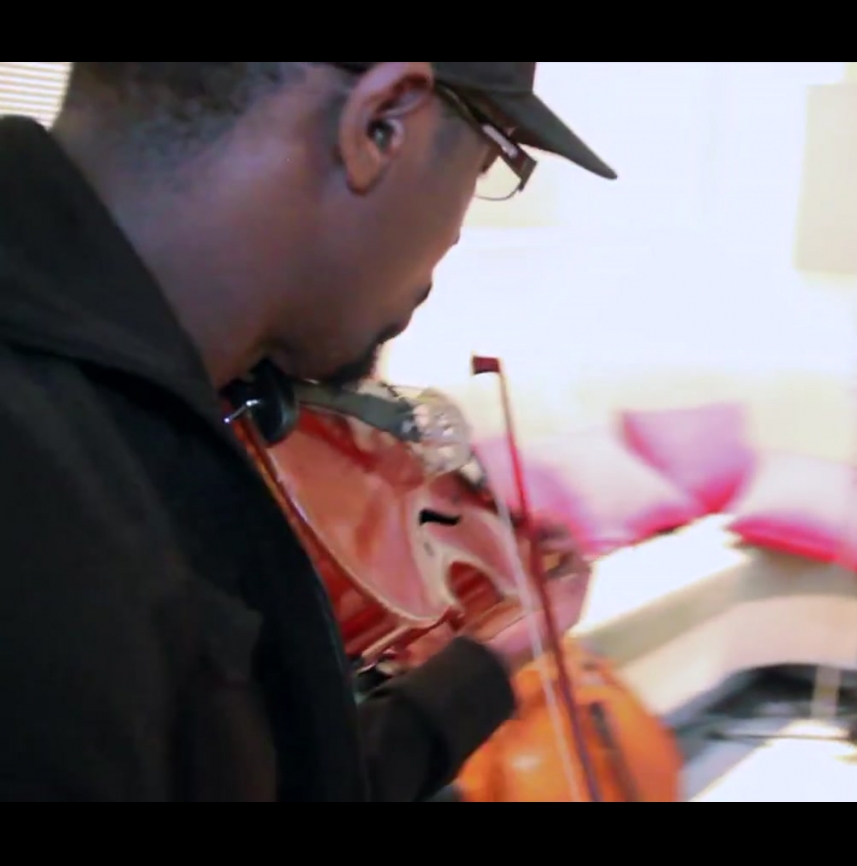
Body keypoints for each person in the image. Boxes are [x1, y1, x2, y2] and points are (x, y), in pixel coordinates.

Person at [0, 62, 615, 802]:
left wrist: (491, 656)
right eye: (492, 159)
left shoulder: (131, 412)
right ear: (381, 124)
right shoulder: (50, 514)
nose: (455, 237)